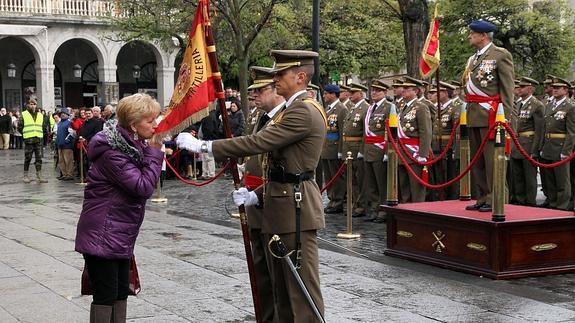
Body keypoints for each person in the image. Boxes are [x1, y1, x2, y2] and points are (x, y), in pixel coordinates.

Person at [177, 50, 325, 322]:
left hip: (295, 208)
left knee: (299, 292)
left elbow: (258, 144)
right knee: (282, 289)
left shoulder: (303, 110)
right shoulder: (291, 110)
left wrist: (206, 146)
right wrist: (256, 196)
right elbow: (279, 170)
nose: (276, 78)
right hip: (281, 205)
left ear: (301, 77)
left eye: (281, 74)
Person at [75, 93, 163, 322]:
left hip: (119, 232)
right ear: (133, 124)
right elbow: (143, 186)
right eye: (150, 120)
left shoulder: (130, 145)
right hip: (103, 232)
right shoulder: (113, 153)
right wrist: (154, 153)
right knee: (106, 294)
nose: (155, 125)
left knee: (122, 290)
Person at [242, 65, 287, 321]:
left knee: (274, 267)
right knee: (260, 267)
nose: (254, 96)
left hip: (271, 195)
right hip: (253, 192)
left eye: (260, 90)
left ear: (275, 90)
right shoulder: (260, 117)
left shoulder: (283, 117)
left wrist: (210, 146)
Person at [463, 20, 514, 212]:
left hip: (492, 116)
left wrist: (505, 120)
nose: (469, 36)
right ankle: (483, 196)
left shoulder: (500, 55)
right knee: (477, 161)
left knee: (493, 161)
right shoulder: (472, 59)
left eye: (472, 33)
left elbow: (508, 90)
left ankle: (497, 198)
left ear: (483, 35)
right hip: (474, 114)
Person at [539, 78, 575, 210]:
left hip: (560, 147)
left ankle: (562, 205)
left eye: (558, 87)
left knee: (562, 181)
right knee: (550, 180)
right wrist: (542, 146)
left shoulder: (570, 107)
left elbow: (571, 133)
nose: (554, 89)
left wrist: (566, 152)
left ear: (565, 90)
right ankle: (553, 203)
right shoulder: (549, 105)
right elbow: (544, 128)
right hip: (548, 145)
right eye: (553, 87)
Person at [397, 78, 432, 203]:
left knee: (416, 188)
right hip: (402, 152)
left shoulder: (421, 107)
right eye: (403, 89)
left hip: (414, 152)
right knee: (404, 187)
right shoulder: (402, 108)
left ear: (416, 91)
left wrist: (423, 154)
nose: (403, 91)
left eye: (407, 89)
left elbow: (426, 132)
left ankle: (418, 212)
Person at [363, 80, 392, 222]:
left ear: (385, 92)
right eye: (373, 90)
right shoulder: (370, 108)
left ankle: (383, 210)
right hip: (369, 150)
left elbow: (390, 132)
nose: (374, 92)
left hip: (380, 150)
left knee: (382, 183)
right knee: (371, 183)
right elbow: (366, 132)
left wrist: (387, 152)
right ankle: (374, 208)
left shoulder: (389, 107)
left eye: (378, 90)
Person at [341, 82, 369, 217]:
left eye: (353, 93)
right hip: (348, 148)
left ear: (361, 94)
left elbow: (365, 132)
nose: (350, 95)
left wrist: (362, 150)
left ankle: (361, 205)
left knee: (360, 178)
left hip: (357, 147)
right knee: (351, 178)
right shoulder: (352, 108)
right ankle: (355, 203)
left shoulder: (365, 108)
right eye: (350, 93)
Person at [321, 84, 348, 214]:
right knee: (329, 176)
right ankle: (331, 199)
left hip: (335, 147)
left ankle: (338, 201)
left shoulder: (341, 109)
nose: (325, 96)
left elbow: (343, 131)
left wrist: (341, 151)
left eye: (326, 93)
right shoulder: (328, 109)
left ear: (333, 94)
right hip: (326, 147)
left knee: (336, 177)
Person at [19, 99, 47, 183]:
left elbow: (43, 127)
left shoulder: (40, 115)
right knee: (28, 158)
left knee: (39, 158)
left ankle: (39, 175)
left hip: (38, 139)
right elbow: (19, 127)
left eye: (34, 104)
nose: (33, 106)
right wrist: (25, 135)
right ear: (28, 105)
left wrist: (43, 137)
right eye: (31, 104)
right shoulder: (24, 114)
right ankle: (25, 175)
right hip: (29, 140)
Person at [56, 109, 75, 180]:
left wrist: (67, 140)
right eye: (61, 113)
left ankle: (69, 174)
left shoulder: (69, 123)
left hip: (67, 145)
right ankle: (64, 174)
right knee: (61, 161)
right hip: (60, 145)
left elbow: (72, 133)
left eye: (64, 113)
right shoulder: (60, 123)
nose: (62, 114)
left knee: (68, 161)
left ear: (67, 114)